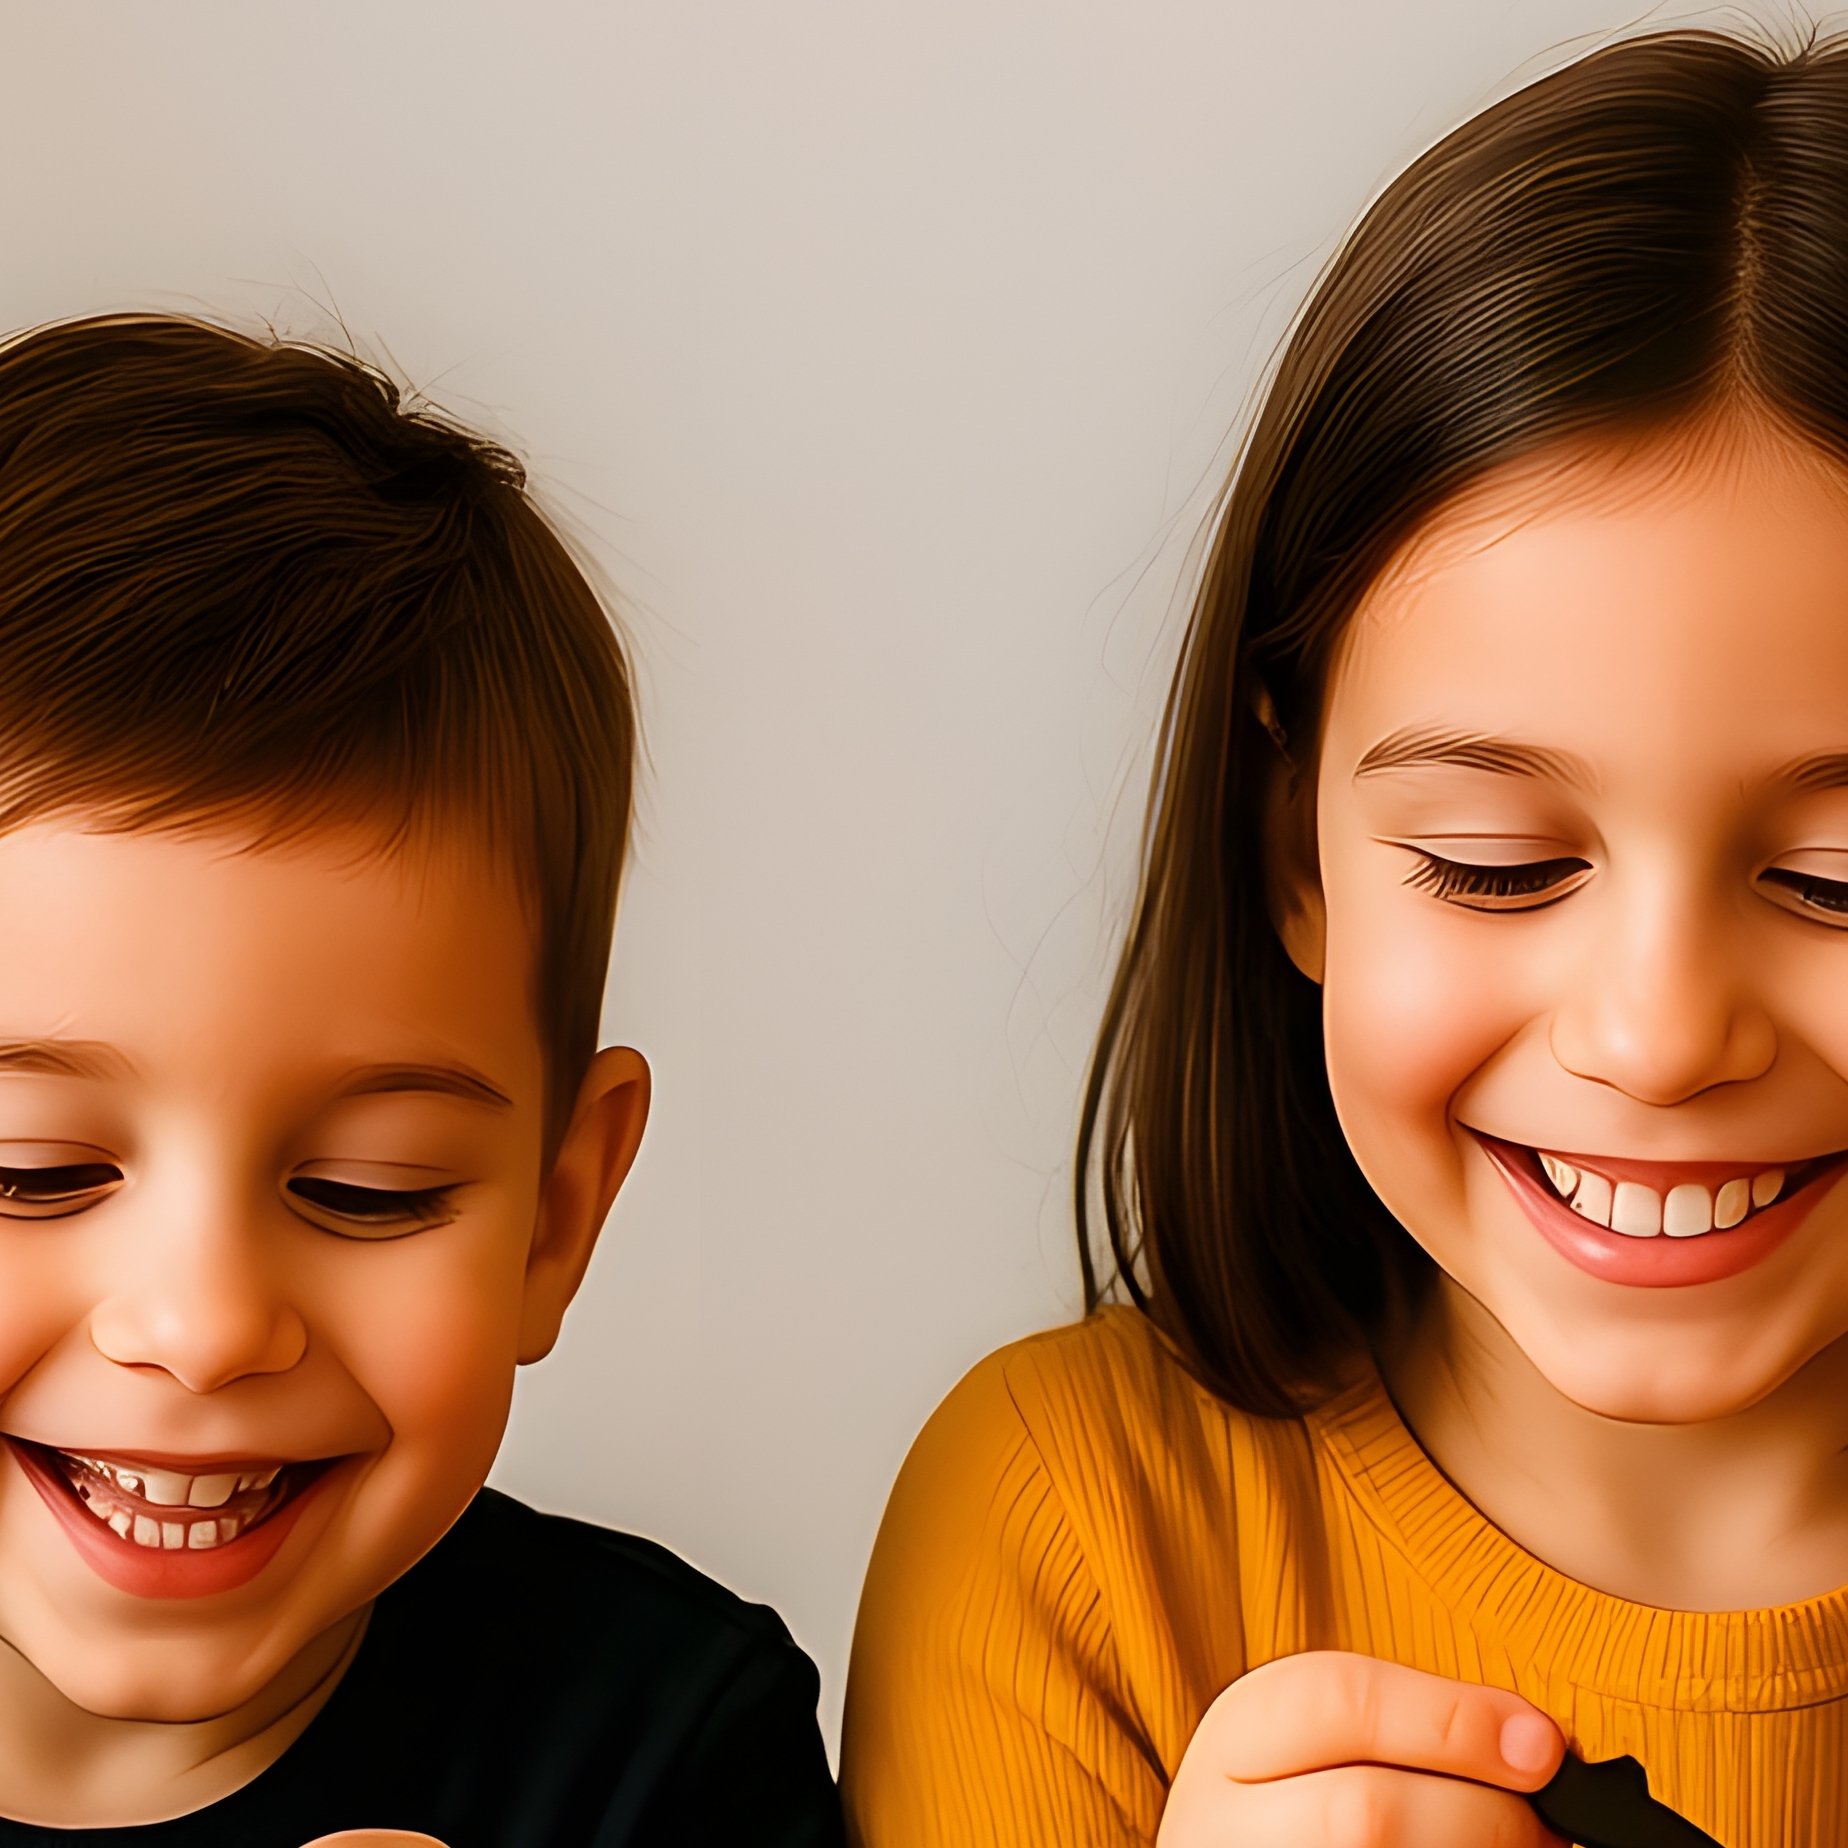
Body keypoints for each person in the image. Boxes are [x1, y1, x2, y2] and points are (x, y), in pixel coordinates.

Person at [841, 24, 1848, 1847]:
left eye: (1839, 882)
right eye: (1491, 865)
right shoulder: (1080, 1531)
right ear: (1291, 851)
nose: (1660, 1031)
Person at [0, 313, 843, 1847]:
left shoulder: (657, 1751)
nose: (202, 1328)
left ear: (556, 1216)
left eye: (362, 1190)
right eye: (31, 1169)